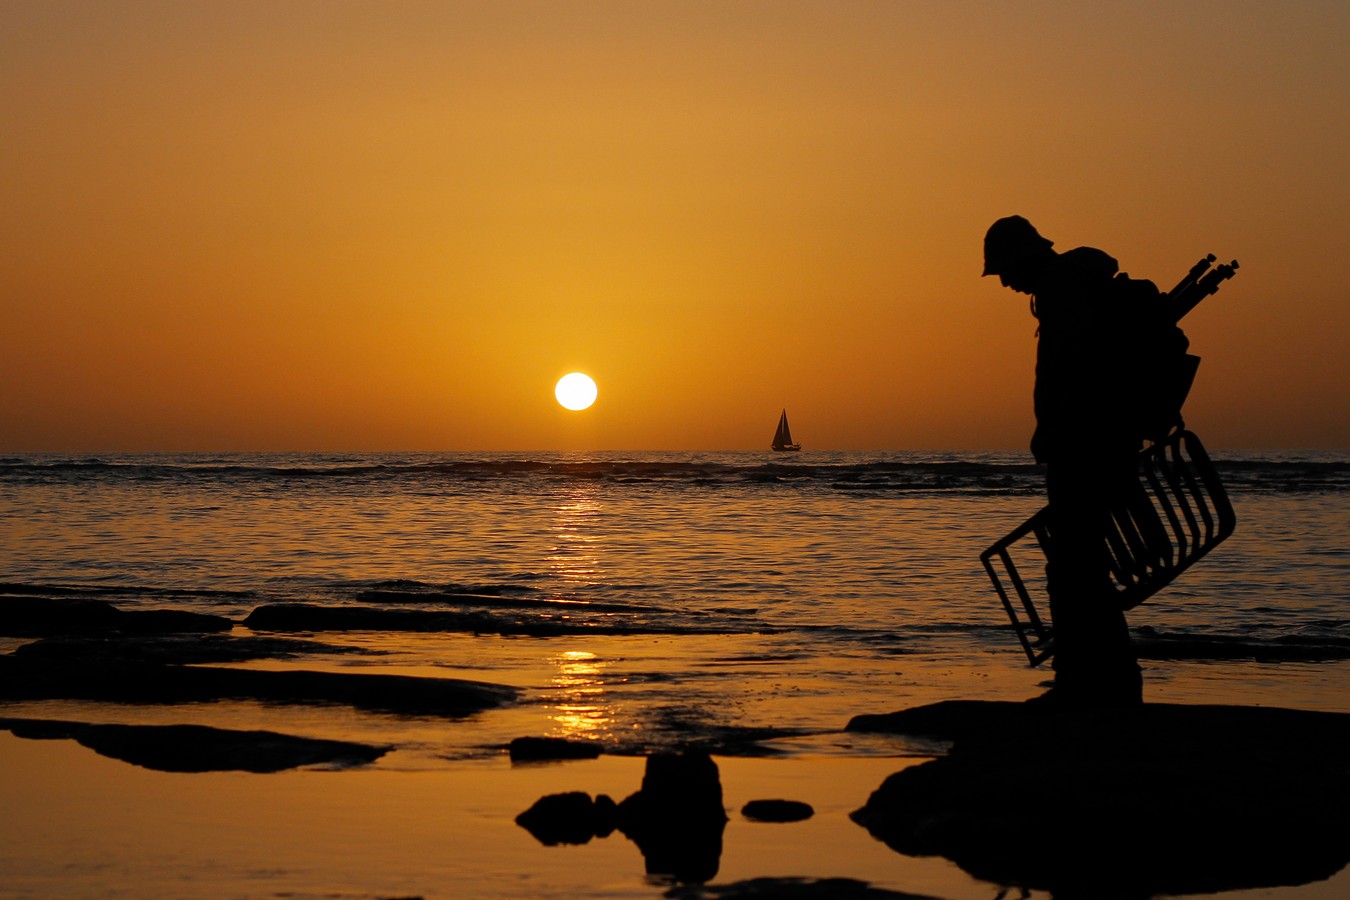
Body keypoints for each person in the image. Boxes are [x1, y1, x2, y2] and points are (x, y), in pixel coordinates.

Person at [983, 215, 1149, 707]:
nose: (1006, 285)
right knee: (1083, 565)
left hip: (1084, 448)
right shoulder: (1072, 286)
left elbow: (1072, 374)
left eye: (1005, 272)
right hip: (1099, 444)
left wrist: (1054, 432)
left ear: (1022, 260)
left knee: (1074, 569)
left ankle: (1085, 680)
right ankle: (1107, 677)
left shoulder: (1062, 292)